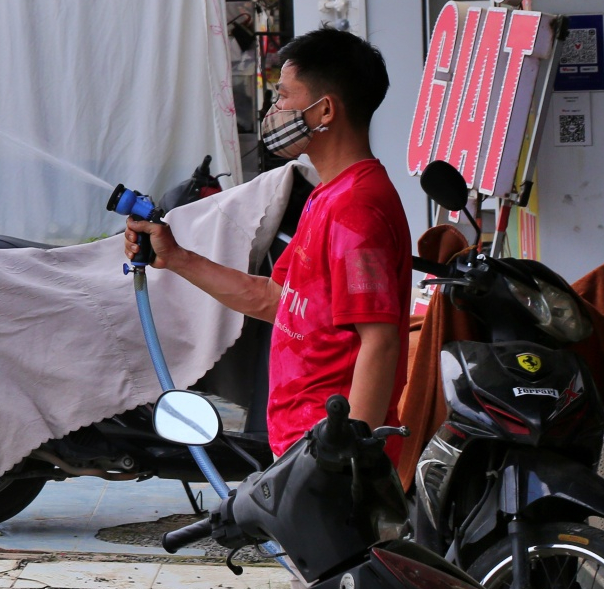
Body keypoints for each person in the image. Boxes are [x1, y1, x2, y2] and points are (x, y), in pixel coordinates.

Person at [124, 28, 412, 456]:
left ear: (325, 110)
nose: (273, 110)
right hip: (301, 447)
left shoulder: (357, 209)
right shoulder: (327, 195)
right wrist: (177, 257)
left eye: (284, 96)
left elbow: (380, 342)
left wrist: (349, 460)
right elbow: (275, 299)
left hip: (330, 457)